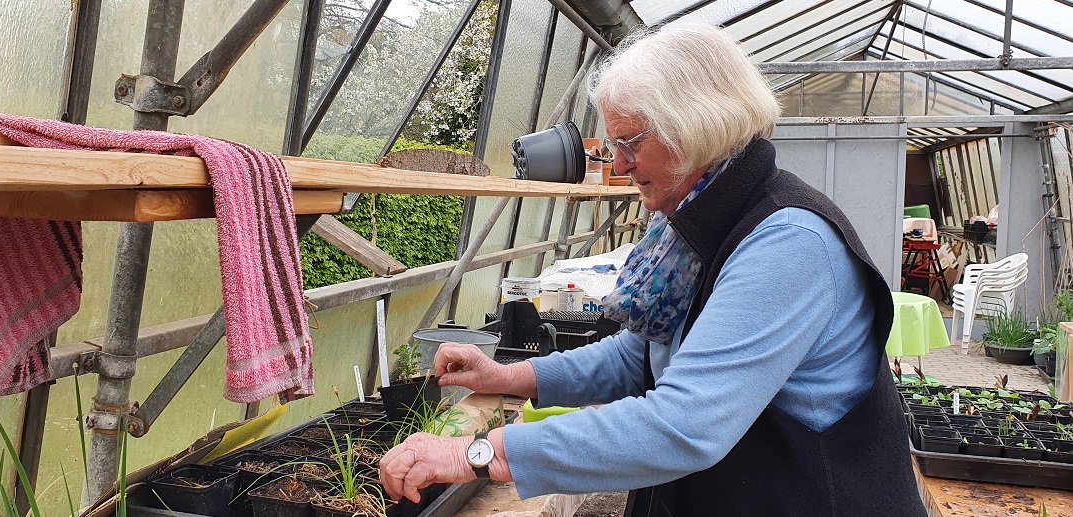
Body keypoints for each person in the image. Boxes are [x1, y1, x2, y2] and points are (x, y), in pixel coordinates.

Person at [380, 22, 925, 516]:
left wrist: (478, 453)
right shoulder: (691, 222)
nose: (617, 164)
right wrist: (510, 377)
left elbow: (684, 426)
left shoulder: (789, 244)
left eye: (630, 141)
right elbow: (641, 351)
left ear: (695, 129)